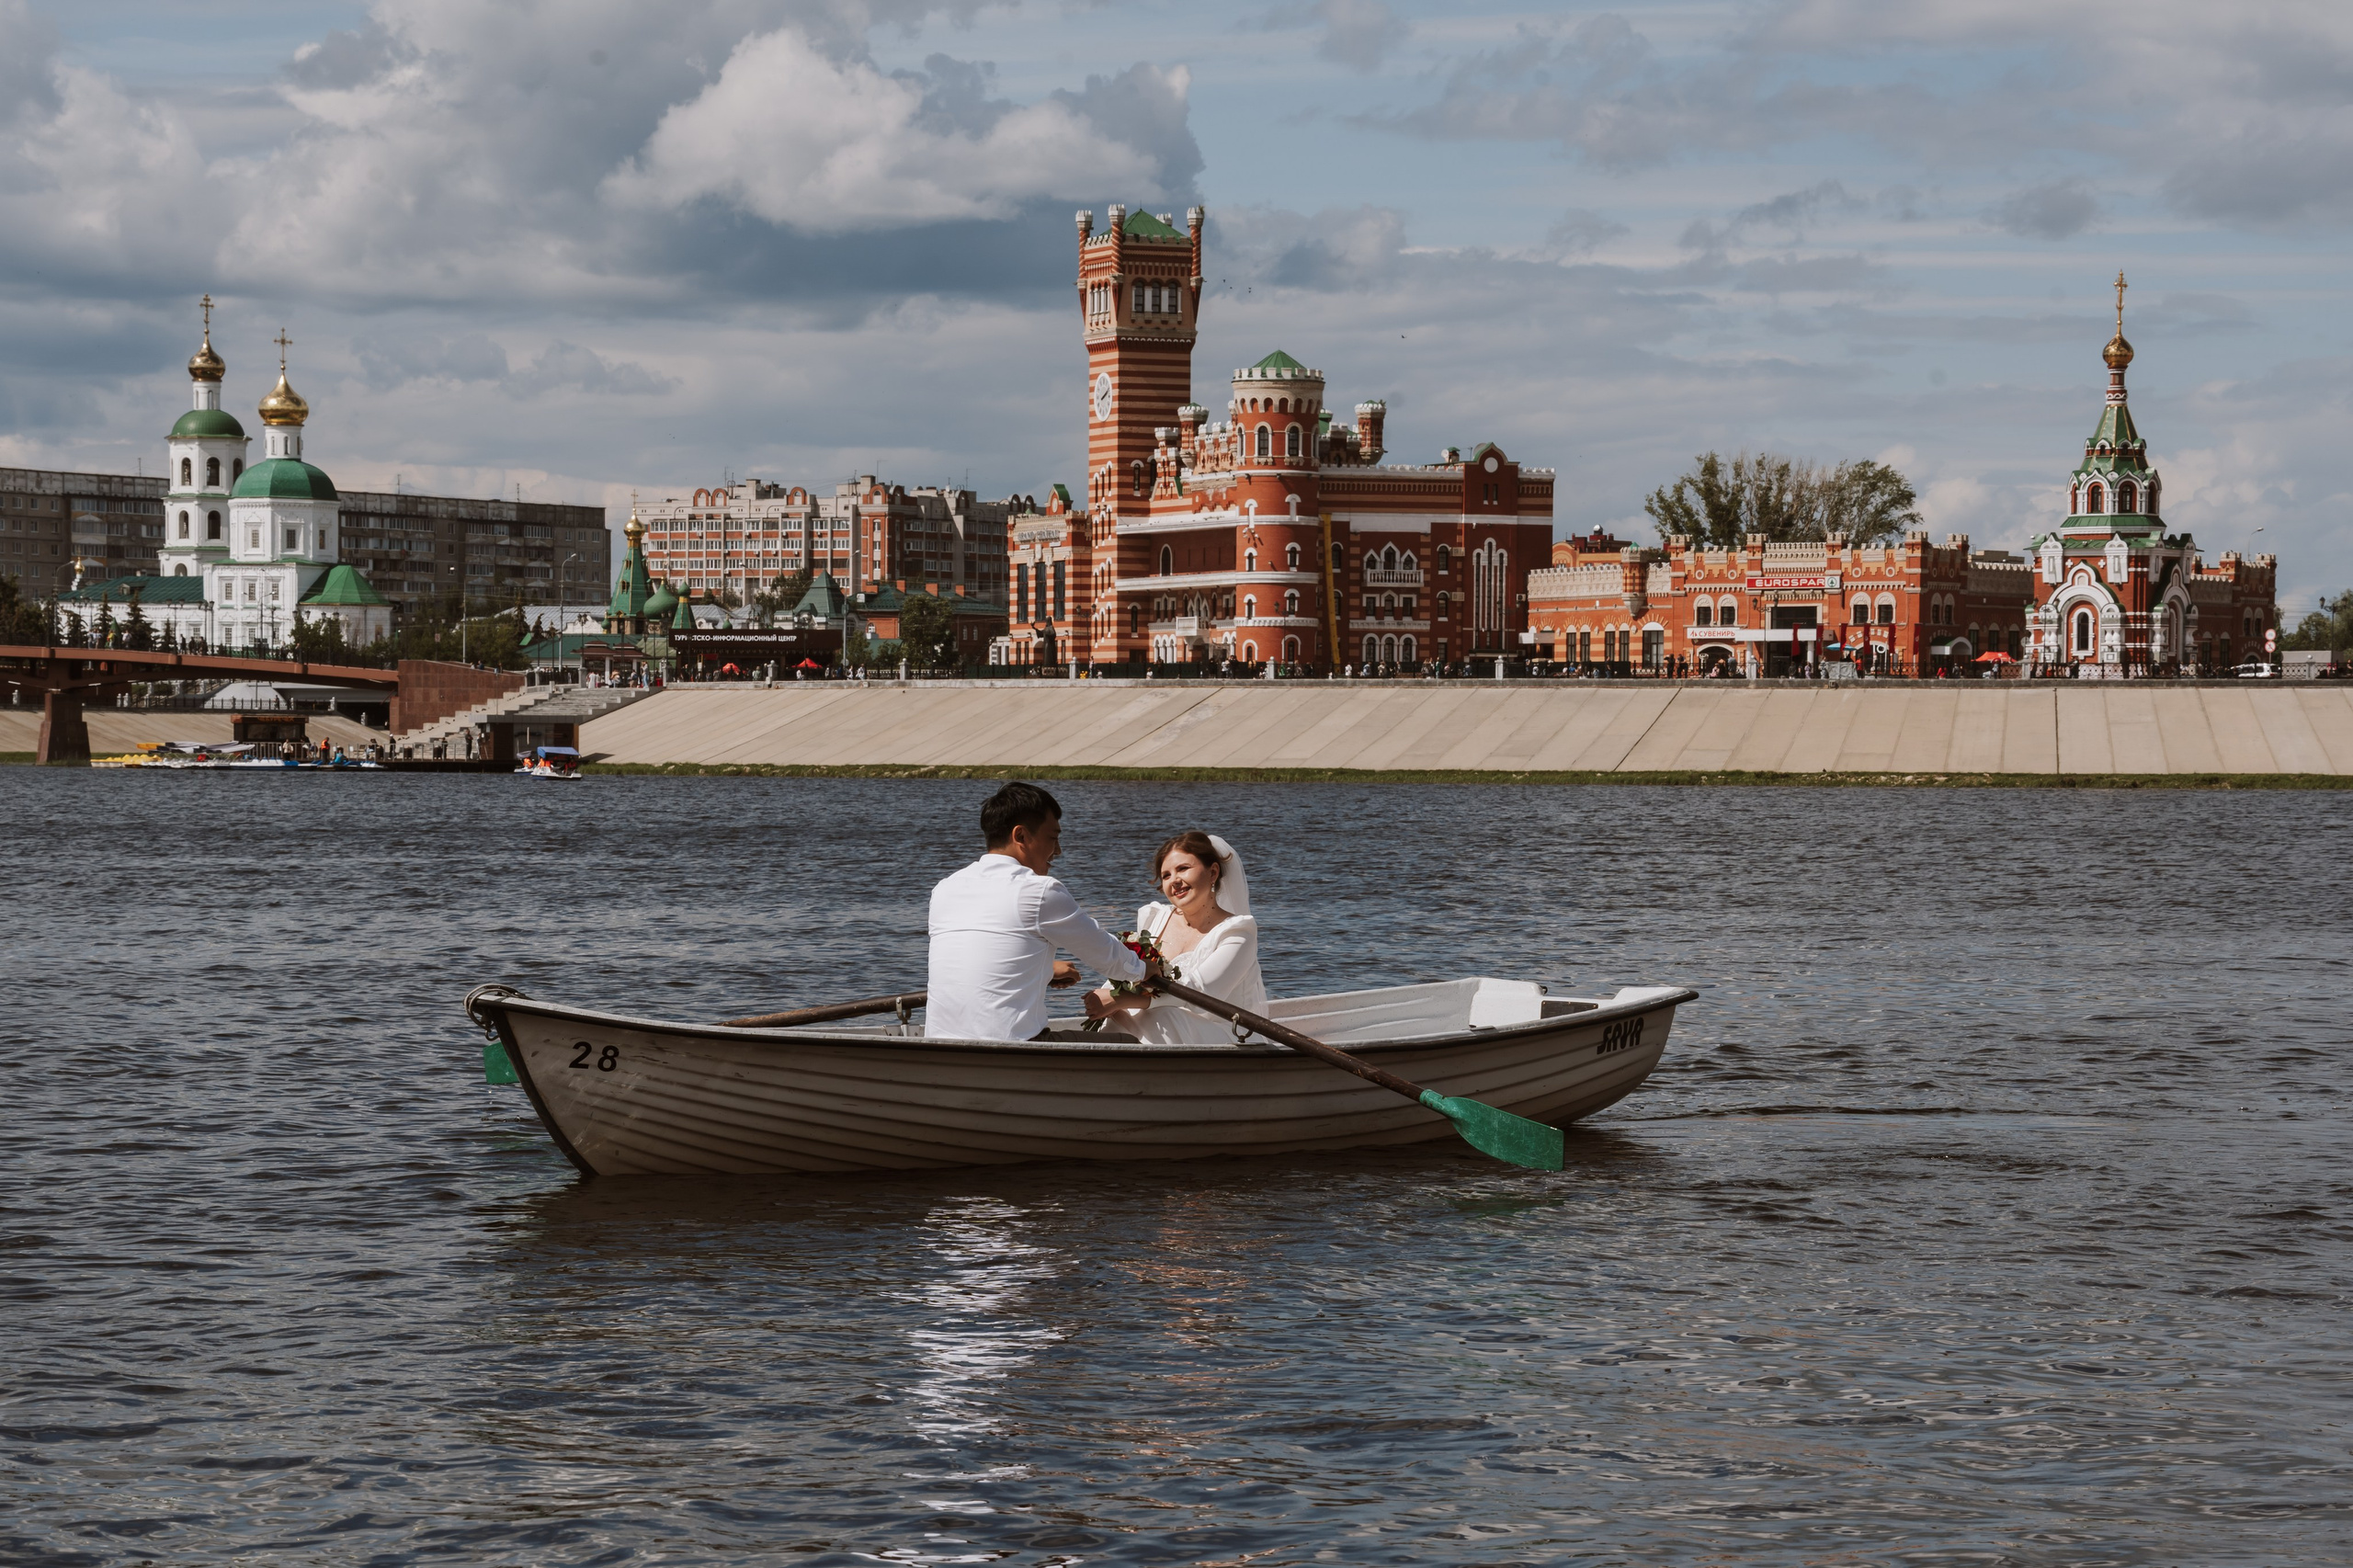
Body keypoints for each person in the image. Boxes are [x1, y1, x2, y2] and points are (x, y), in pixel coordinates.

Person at [926, 782, 1150, 1041]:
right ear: (1020, 836)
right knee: (1132, 1044)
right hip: (1013, 1049)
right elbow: (1110, 959)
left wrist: (1044, 970)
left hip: (939, 1043)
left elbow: (979, 953)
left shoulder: (944, 889)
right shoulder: (1040, 890)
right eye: (1053, 838)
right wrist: (1145, 970)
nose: (1058, 851)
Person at [1086, 831, 1267, 1045]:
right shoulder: (1154, 917)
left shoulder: (1238, 932)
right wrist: (1106, 994)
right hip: (1165, 1026)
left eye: (1183, 869)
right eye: (1166, 875)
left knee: (1164, 1016)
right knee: (1118, 1015)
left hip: (1227, 1034)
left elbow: (1201, 995)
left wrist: (1123, 999)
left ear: (1213, 872)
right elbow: (1131, 968)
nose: (1175, 881)